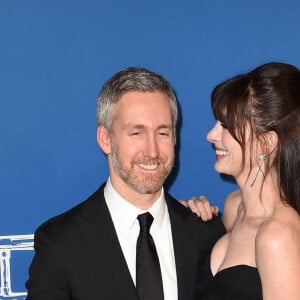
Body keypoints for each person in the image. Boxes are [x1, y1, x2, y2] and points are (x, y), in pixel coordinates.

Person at [25, 67, 225, 300]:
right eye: (136, 133)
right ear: (105, 139)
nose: (152, 151)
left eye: (162, 133)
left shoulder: (204, 232)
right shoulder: (61, 242)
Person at [186, 62, 300, 300]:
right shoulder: (233, 206)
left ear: (266, 143)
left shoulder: (277, 235)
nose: (211, 135)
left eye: (226, 126)